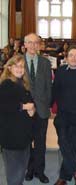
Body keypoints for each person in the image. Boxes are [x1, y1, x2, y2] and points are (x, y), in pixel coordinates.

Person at [52, 45, 76, 185]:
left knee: (73, 147)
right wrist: (50, 106)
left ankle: (63, 177)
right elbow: (55, 90)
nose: (74, 58)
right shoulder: (61, 71)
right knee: (63, 142)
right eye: (71, 55)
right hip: (63, 115)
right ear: (66, 57)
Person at [0, 55, 35, 185]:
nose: (20, 69)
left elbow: (30, 103)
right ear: (9, 67)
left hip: (24, 135)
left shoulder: (23, 84)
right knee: (14, 172)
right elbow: (3, 106)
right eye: (17, 66)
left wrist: (32, 110)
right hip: (11, 136)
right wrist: (24, 106)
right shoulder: (6, 84)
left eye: (22, 66)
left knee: (21, 168)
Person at [24, 33, 52, 183]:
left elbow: (49, 88)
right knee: (27, 142)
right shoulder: (18, 62)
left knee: (41, 143)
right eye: (31, 42)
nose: (34, 45)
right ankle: (29, 170)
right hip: (24, 111)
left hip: (41, 110)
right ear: (25, 45)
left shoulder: (45, 63)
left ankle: (40, 171)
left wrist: (45, 105)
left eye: (36, 42)